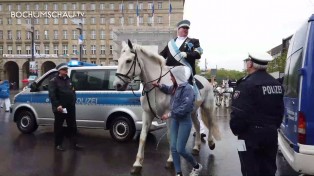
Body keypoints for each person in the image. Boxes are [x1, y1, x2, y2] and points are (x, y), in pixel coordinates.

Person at [229, 52, 284, 176]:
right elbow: (280, 111)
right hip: (271, 134)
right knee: (269, 170)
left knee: (248, 169)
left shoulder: (245, 84)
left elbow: (238, 114)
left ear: (250, 64)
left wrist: (236, 130)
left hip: (247, 136)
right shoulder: (276, 84)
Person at [152, 66, 202, 176]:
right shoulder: (175, 87)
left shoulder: (188, 89)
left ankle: (197, 166)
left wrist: (169, 114)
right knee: (173, 148)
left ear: (177, 76)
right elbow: (167, 89)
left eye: (171, 76)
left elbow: (186, 107)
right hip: (175, 121)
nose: (170, 78)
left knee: (180, 149)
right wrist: (159, 85)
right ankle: (179, 173)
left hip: (184, 121)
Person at [48, 63, 82, 151]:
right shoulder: (54, 81)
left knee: (72, 126)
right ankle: (58, 144)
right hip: (61, 107)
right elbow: (52, 95)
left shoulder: (68, 79)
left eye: (66, 69)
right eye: (64, 69)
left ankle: (74, 143)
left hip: (70, 106)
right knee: (59, 126)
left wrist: (73, 100)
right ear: (59, 71)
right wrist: (58, 105)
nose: (66, 71)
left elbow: (73, 91)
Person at [160, 19, 203, 84]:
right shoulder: (171, 43)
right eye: (184, 28)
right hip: (170, 69)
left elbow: (198, 54)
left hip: (184, 69)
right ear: (178, 29)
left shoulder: (194, 41)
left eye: (187, 28)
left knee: (184, 85)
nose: (186, 29)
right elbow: (162, 55)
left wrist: (187, 54)